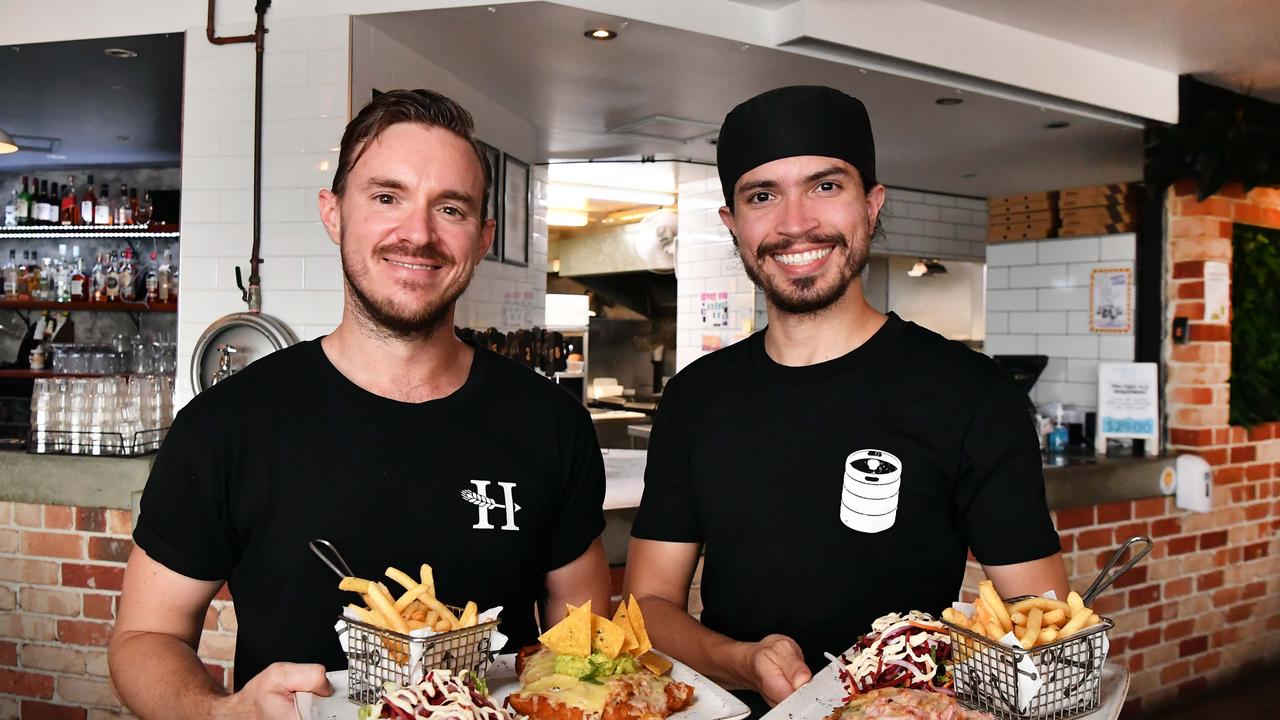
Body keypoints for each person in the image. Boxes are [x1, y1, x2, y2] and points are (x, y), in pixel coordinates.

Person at [109, 89, 611, 720]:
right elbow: (145, 637)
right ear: (334, 213)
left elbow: (584, 641)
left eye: (450, 209)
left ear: (482, 238)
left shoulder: (551, 423)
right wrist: (215, 713)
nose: (418, 234)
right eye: (386, 197)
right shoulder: (226, 424)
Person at [624, 85, 1069, 715]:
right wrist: (741, 660)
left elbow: (1040, 629)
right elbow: (647, 608)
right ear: (732, 224)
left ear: (872, 204)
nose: (795, 222)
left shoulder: (971, 394)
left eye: (826, 186)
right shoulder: (697, 398)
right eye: (762, 195)